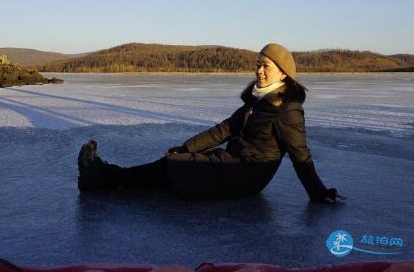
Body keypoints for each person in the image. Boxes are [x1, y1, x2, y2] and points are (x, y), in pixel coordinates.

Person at [77, 43, 347, 204]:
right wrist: (186, 147)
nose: (259, 70)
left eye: (266, 65)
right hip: (231, 164)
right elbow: (224, 129)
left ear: (284, 73)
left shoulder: (287, 109)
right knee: (173, 162)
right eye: (257, 64)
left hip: (247, 176)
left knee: (174, 168)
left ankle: (104, 178)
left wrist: (318, 193)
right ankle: (105, 176)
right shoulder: (258, 101)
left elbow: (301, 156)